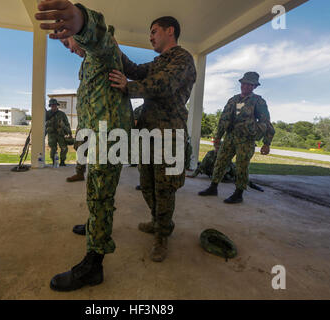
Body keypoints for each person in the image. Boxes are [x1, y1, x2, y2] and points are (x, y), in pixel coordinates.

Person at [36, 0, 132, 291]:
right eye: (66, 43)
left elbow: (100, 35)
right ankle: (94, 228)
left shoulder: (103, 50)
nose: (69, 47)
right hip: (98, 136)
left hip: (110, 138)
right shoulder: (88, 63)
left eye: (68, 40)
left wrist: (80, 20)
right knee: (94, 188)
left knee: (101, 195)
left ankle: (94, 265)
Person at [109, 16, 197, 262]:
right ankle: (158, 221)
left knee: (165, 188)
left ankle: (162, 236)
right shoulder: (159, 61)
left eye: (154, 31)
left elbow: (165, 84)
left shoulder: (183, 59)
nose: (150, 36)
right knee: (147, 184)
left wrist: (130, 88)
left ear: (170, 31)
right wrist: (116, 50)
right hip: (148, 132)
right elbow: (136, 70)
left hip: (170, 135)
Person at [198, 72, 274, 203]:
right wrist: (218, 137)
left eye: (249, 84)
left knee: (242, 166)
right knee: (220, 161)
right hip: (230, 137)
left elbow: (266, 122)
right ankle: (213, 187)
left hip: (246, 139)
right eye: (244, 83)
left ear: (254, 86)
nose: (246, 86)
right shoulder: (233, 100)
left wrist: (267, 143)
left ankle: (239, 193)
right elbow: (223, 119)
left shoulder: (258, 101)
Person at [45, 98, 71, 166]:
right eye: (52, 105)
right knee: (53, 148)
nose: (53, 106)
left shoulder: (62, 114)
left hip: (60, 134)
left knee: (64, 148)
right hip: (51, 134)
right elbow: (43, 124)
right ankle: (54, 161)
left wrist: (69, 132)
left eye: (55, 105)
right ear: (50, 106)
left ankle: (62, 161)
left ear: (57, 105)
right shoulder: (47, 114)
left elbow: (67, 124)